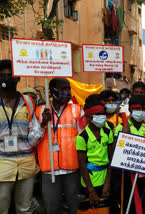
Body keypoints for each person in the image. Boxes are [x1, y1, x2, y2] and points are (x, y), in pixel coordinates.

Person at [0, 59, 50, 214]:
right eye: (3, 76)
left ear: (18, 78)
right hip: (2, 165)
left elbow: (32, 139)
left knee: (24, 208)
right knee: (2, 208)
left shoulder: (28, 101)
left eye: (11, 75)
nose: (7, 79)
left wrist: (42, 126)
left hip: (27, 165)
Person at [36, 78, 83, 214]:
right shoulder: (40, 111)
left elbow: (84, 139)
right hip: (49, 170)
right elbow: (31, 140)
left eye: (68, 88)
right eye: (63, 89)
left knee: (75, 207)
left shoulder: (77, 110)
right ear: (52, 91)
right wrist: (42, 125)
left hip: (72, 170)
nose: (67, 92)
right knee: (52, 208)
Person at [114, 95, 145, 214]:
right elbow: (116, 152)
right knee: (129, 205)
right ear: (131, 110)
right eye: (137, 109)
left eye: (142, 109)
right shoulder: (121, 128)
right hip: (127, 175)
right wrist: (123, 137)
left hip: (144, 174)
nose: (140, 112)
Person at [75, 94, 114, 206]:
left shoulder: (107, 132)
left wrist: (107, 183)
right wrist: (91, 191)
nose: (102, 117)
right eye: (98, 114)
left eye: (103, 114)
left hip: (106, 179)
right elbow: (82, 165)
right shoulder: (82, 137)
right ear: (88, 117)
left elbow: (111, 159)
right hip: (89, 183)